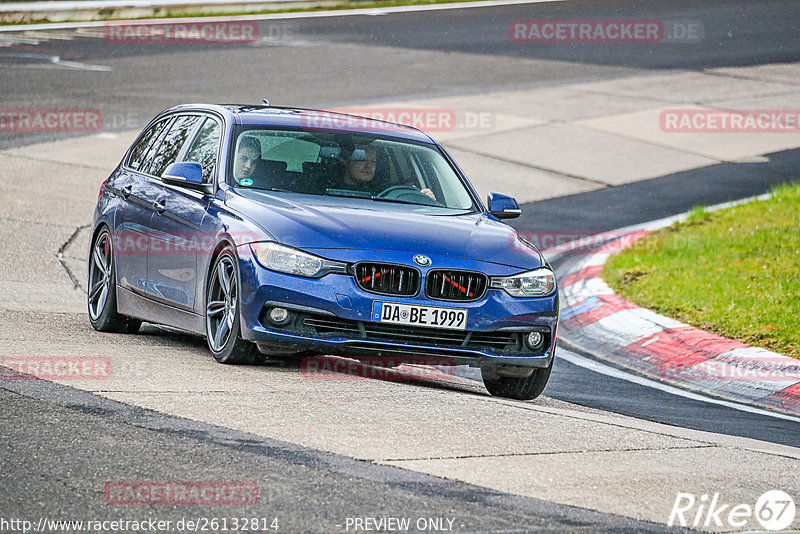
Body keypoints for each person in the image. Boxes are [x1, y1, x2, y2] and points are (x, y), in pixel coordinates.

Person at [336, 144, 436, 200]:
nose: (369, 166)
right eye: (362, 159)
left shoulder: (387, 193)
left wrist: (426, 199)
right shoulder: (323, 189)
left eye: (373, 161)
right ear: (346, 161)